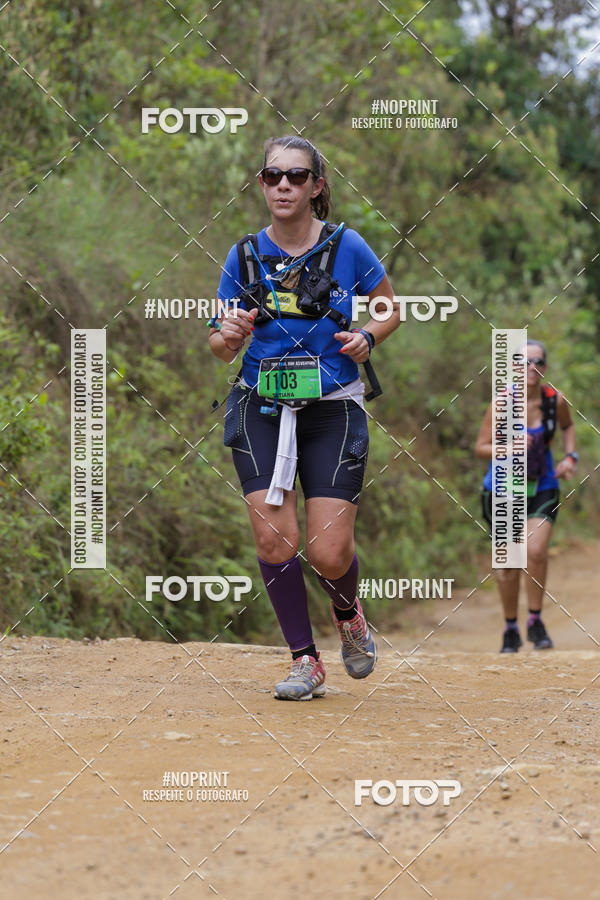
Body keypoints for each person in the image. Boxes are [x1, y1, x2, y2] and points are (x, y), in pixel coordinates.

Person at [209, 135, 399, 699]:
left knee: (328, 551)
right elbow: (219, 345)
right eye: (273, 176)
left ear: (317, 186)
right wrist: (229, 334)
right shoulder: (242, 255)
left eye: (296, 176)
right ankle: (304, 660)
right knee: (274, 541)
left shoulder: (347, 246)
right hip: (261, 405)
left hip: (332, 408)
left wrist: (366, 336)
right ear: (262, 184)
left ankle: (349, 613)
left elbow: (389, 308)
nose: (284, 185)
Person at [475, 340, 578, 653]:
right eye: (524, 361)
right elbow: (481, 448)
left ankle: (535, 620)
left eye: (537, 362)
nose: (531, 368)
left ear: (544, 368)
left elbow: (568, 426)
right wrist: (508, 448)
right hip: (504, 489)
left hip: (544, 485)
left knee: (535, 550)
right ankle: (510, 627)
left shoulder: (554, 401)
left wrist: (570, 457)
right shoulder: (501, 404)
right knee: (507, 563)